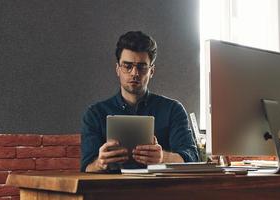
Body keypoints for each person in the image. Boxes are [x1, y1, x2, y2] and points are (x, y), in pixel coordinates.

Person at [81, 31, 199, 172]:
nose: (134, 73)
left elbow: (192, 158)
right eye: (127, 66)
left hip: (160, 190)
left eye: (142, 67)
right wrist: (99, 163)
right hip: (112, 191)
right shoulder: (95, 114)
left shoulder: (173, 110)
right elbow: (86, 167)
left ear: (152, 71)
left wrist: (163, 158)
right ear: (117, 69)